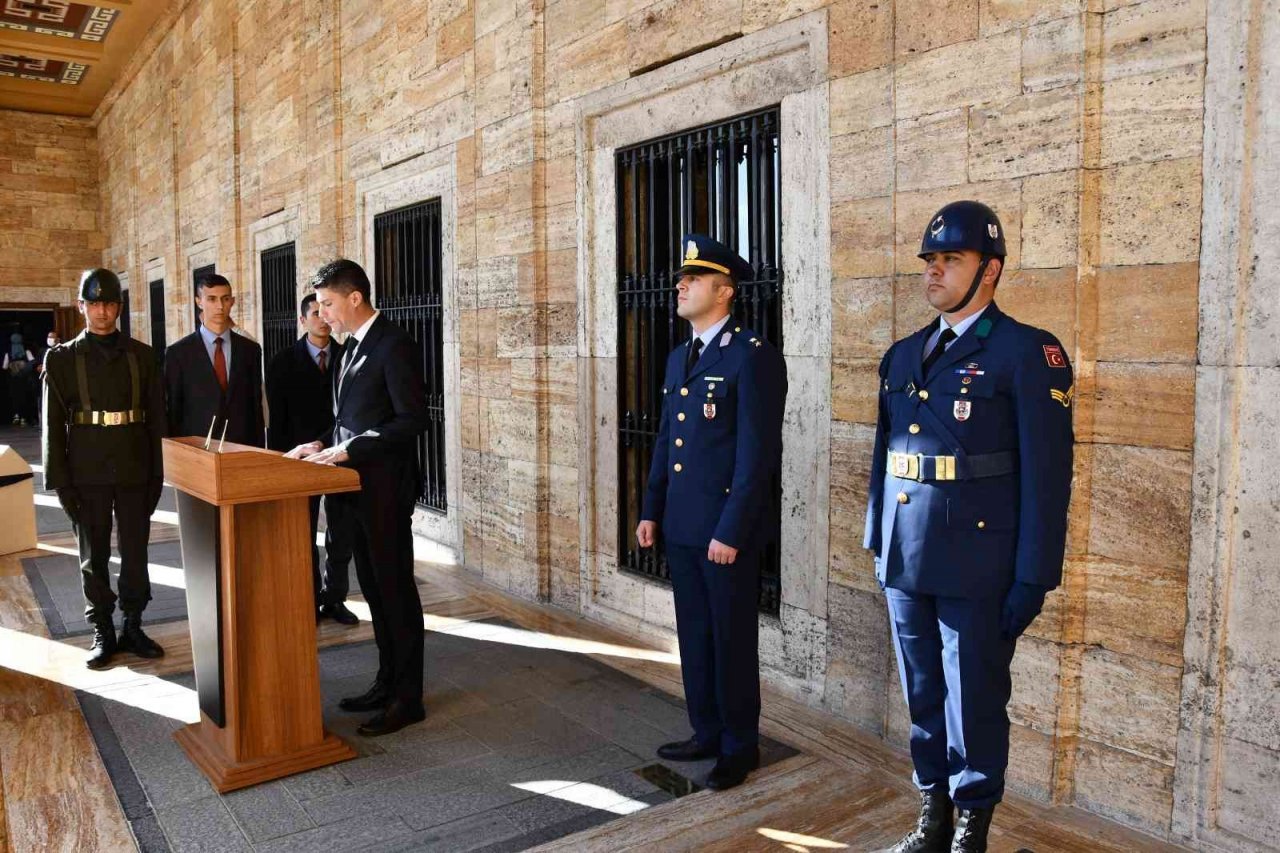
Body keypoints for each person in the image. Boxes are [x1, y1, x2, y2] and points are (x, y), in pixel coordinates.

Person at [863, 201, 1074, 853]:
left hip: (978, 566)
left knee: (973, 701)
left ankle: (971, 829)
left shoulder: (1026, 354)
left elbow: (1048, 474)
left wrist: (1033, 576)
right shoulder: (902, 356)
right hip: (906, 559)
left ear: (991, 270)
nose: (935, 270)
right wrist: (878, 541)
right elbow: (885, 455)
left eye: (951, 258)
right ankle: (933, 817)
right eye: (931, 259)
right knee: (924, 694)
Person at [635, 234, 787, 791]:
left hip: (724, 534)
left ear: (724, 291)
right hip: (682, 525)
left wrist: (732, 530)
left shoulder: (752, 356)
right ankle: (705, 729)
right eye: (682, 278)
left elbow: (756, 457)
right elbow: (667, 441)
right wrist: (652, 508)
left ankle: (737, 745)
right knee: (694, 634)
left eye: (693, 279)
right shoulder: (682, 357)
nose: (681, 285)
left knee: (730, 640)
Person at [285, 259, 429, 737]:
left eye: (327, 304)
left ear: (354, 298)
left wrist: (350, 448)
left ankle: (408, 699)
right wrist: (323, 443)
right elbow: (352, 419)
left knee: (396, 594)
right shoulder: (349, 351)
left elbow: (411, 420)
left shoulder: (395, 345)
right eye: (319, 306)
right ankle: (386, 683)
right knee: (373, 593)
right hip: (351, 492)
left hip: (385, 492)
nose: (322, 314)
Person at [42, 269, 167, 669]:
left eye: (109, 303)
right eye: (93, 303)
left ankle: (133, 623)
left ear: (119, 307)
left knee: (135, 549)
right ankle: (103, 629)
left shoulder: (142, 356)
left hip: (133, 465)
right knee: (92, 554)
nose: (101, 311)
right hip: (86, 468)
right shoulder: (60, 359)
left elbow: (156, 420)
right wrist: (58, 481)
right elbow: (51, 422)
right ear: (81, 307)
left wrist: (157, 474)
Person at [266, 293, 357, 626]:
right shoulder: (281, 363)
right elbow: (277, 422)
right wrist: (280, 463)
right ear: (302, 321)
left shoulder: (348, 357)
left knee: (341, 531)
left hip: (341, 456)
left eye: (325, 311)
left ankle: (335, 597)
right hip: (299, 462)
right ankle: (307, 596)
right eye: (315, 313)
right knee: (302, 533)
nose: (322, 318)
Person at [164, 273, 264, 446]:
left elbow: (256, 408)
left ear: (231, 302)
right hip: (197, 450)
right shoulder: (178, 353)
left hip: (241, 448)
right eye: (211, 299)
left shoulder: (250, 350)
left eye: (225, 299)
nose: (220, 306)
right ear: (199, 302)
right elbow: (173, 411)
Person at [5, 333, 36, 426]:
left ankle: (17, 416)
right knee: (25, 397)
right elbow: (33, 362)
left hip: (14, 379)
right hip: (25, 379)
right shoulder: (26, 352)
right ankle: (24, 417)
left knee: (15, 397)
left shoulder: (9, 353)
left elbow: (4, 366)